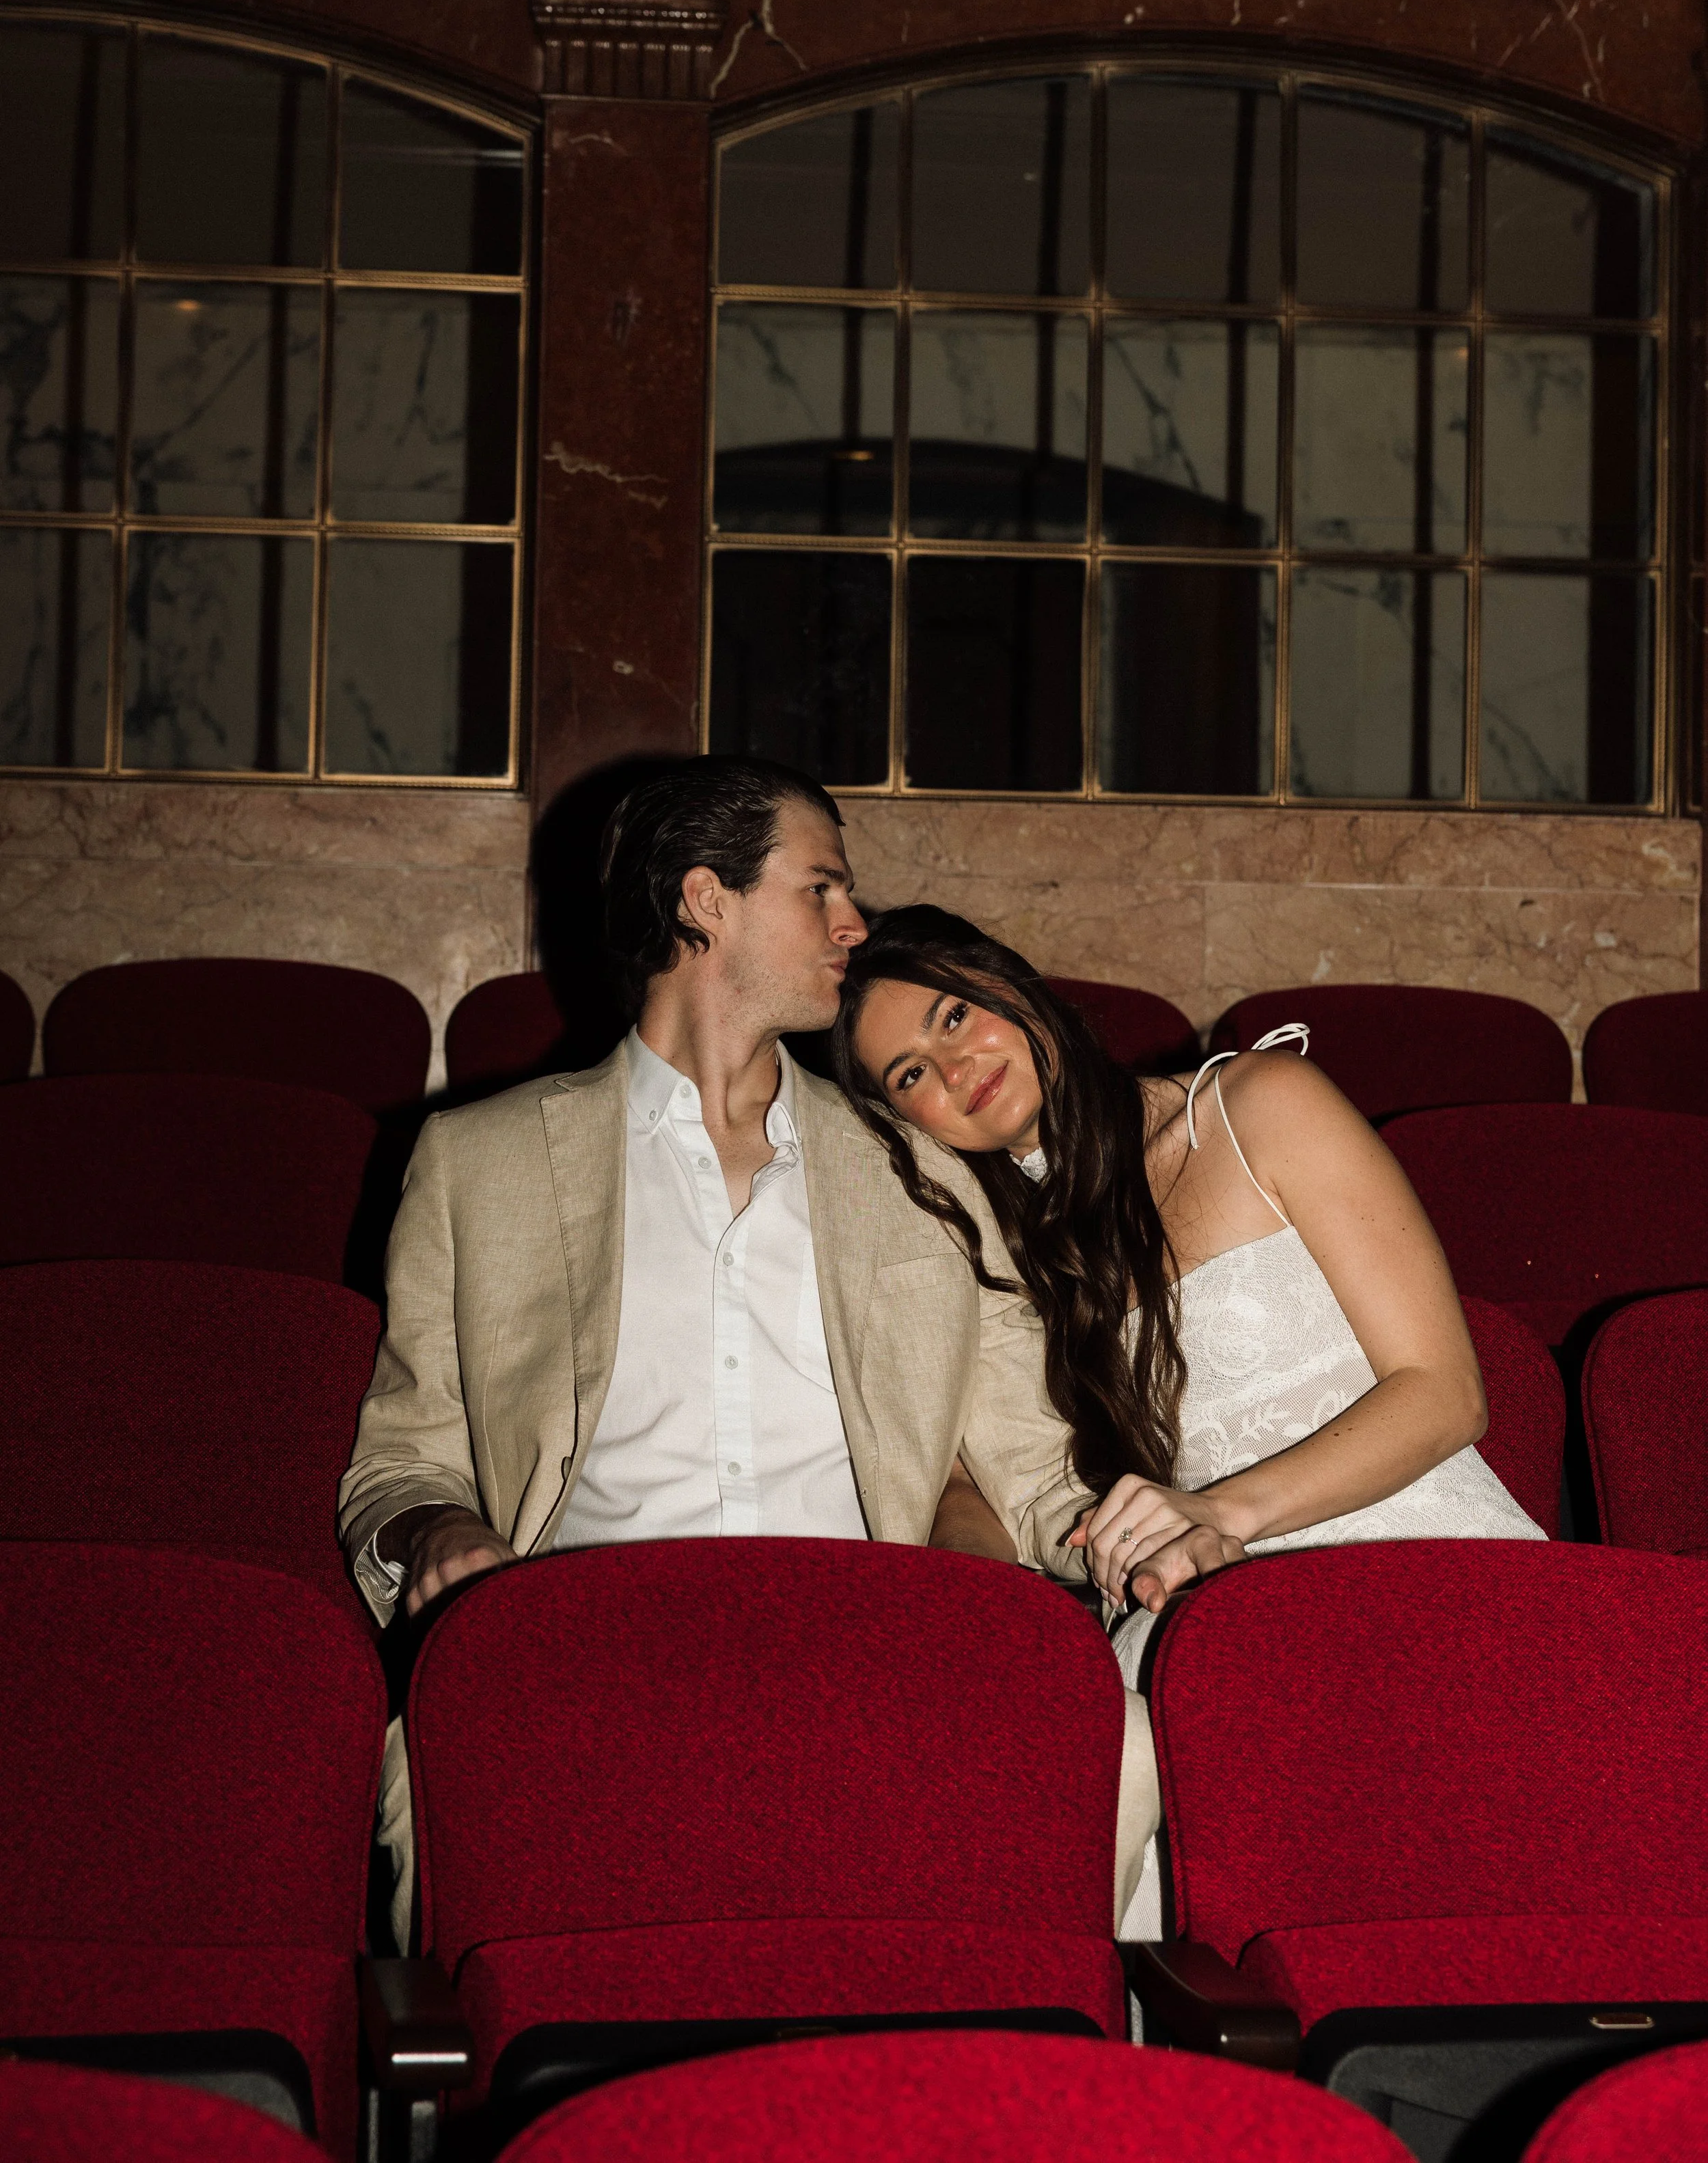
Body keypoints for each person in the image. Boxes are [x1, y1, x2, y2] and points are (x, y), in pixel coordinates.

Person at [339, 762, 1155, 1940]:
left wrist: (1144, 1535)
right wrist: (441, 1530)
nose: (855, 925)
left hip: (864, 1658)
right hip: (579, 1660)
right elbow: (396, 1467)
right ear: (705, 900)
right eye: (821, 885)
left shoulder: (919, 1175)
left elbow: (1030, 1471)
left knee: (1105, 1737)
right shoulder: (478, 1164)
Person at [831, 905, 1544, 1687]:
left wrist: (1222, 1511)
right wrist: (965, 1614)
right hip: (1204, 1616)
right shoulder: (991, 1265)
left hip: (1421, 1561)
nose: (955, 1069)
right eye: (910, 1075)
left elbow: (1445, 1395)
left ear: (1013, 986)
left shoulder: (1258, 1103)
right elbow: (973, 1484)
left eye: (956, 1015)